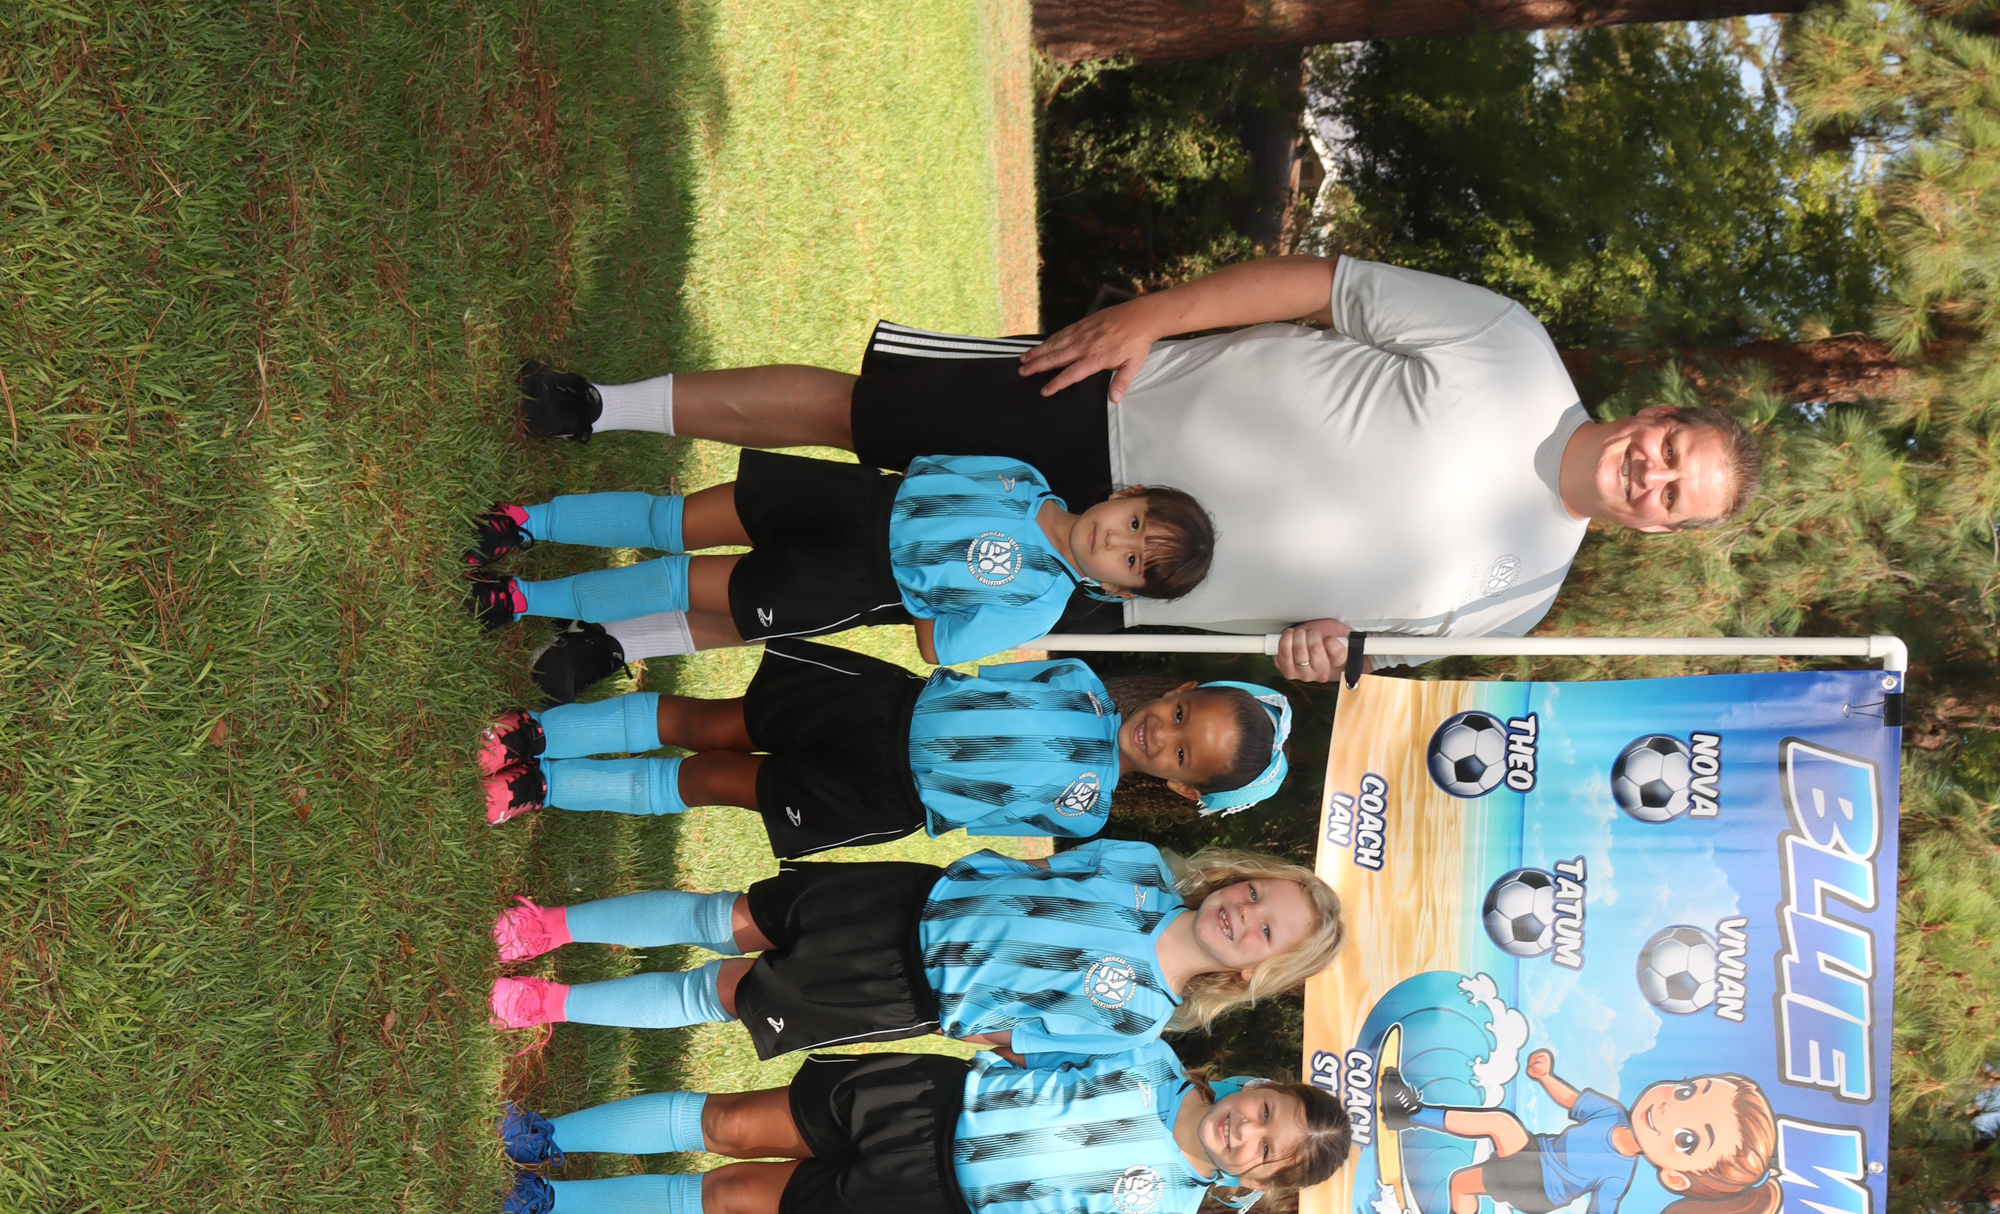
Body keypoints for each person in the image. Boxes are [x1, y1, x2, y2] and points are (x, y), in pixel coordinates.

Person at [513, 255, 1763, 683]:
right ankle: (601, 407)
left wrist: (1314, 656)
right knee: (858, 416)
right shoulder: (1510, 345)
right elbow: (1315, 287)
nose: (1649, 476)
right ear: (1655, 415)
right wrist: (1147, 318)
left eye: (1672, 497)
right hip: (1112, 413)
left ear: (1658, 532)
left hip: (1109, 573)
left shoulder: (1516, 602)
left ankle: (615, 638)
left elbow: (1336, 651)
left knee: (856, 588)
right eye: (1670, 451)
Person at [483, 841, 1342, 1063]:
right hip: (905, 900)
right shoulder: (1142, 871)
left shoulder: (1141, 1018)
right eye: (1255, 894)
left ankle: (546, 1004)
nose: (1243, 915)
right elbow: (1040, 873)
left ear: (1255, 972)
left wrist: (953, 1004)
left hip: (901, 989)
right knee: (730, 915)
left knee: (724, 990)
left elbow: (1017, 1041)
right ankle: (549, 926)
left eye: (1265, 931)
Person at [488, 1046, 1351, 1214]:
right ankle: (552, 1135)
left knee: (737, 1200)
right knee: (734, 1125)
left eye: (1266, 1150)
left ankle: (550, 1204)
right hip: (925, 1100)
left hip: (934, 1206)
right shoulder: (1147, 1054)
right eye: (1263, 1111)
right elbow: (1024, 1039)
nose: (1246, 1130)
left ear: (1260, 1182)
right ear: (1254, 1084)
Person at [475, 644, 1291, 844]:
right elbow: (969, 682)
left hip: (884, 796)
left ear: (1182, 788)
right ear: (1182, 689)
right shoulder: (1074, 678)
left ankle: (543, 788)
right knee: (710, 723)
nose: (1162, 734)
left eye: (1182, 755)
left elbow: (982, 819)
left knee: (712, 782)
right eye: (1182, 715)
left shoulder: (1083, 814)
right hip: (874, 708)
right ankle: (538, 733)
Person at [458, 456, 1214, 669]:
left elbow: (938, 647)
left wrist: (926, 581)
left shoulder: (1040, 603)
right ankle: (527, 521)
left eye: (1133, 561)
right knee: (673, 520)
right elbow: (928, 469)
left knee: (676, 582)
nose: (1116, 542)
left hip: (848, 582)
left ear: (1117, 587)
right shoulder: (1024, 475)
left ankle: (522, 599)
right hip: (843, 500)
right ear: (1127, 493)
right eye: (1135, 524)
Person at [1382, 1052, 1781, 1214]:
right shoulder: (1611, 1113)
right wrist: (1545, 1076)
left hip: (1539, 1186)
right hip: (1536, 1152)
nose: (1666, 1109)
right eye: (1686, 1092)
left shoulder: (1618, 1173)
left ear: (1676, 1178)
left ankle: (1409, 1115)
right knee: (1462, 1181)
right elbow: (1572, 1100)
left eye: (1687, 1139)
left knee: (1498, 1127)